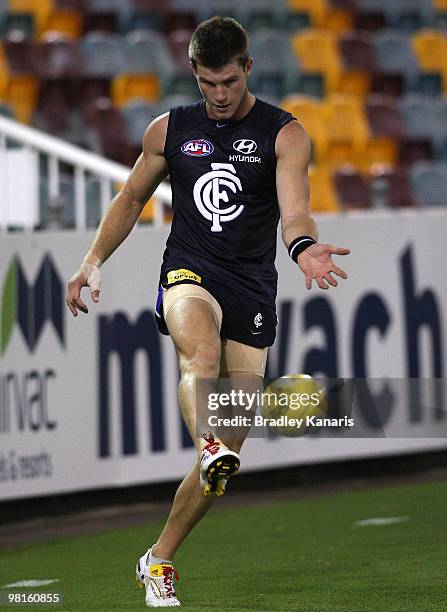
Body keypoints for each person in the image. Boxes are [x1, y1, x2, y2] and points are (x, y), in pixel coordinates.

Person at [66, 16, 350, 608]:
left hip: (251, 285)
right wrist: (93, 260)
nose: (218, 95)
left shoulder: (285, 133)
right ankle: (207, 444)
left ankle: (159, 558)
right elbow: (131, 198)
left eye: (227, 81)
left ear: (247, 67)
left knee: (228, 459)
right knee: (198, 353)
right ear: (193, 74)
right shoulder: (169, 131)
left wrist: (302, 247)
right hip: (190, 270)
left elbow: (295, 211)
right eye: (206, 83)